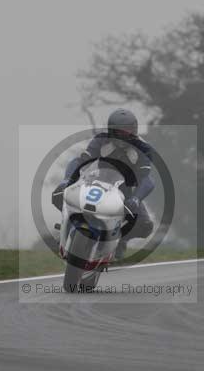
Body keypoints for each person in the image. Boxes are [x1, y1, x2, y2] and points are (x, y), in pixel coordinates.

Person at [52, 109, 155, 259]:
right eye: (118, 133)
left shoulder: (144, 148)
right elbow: (80, 161)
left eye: (127, 132)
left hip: (126, 191)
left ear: (134, 131)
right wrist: (68, 180)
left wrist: (136, 199)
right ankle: (66, 227)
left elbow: (147, 179)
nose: (123, 137)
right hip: (96, 182)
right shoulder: (100, 140)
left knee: (145, 226)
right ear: (110, 131)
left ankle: (121, 239)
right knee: (58, 195)